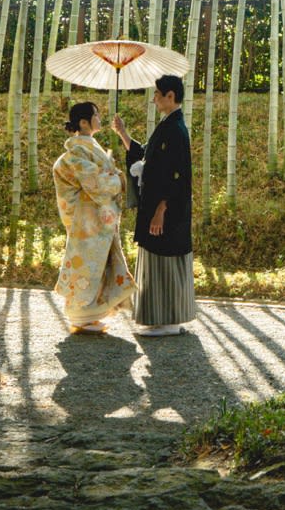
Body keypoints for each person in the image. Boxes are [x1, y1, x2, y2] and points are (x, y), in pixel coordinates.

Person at [112, 74, 195, 337]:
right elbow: (145, 154)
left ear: (171, 96)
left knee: (164, 262)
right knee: (159, 260)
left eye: (157, 94)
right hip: (159, 206)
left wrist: (161, 209)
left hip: (166, 210)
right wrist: (123, 133)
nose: (154, 99)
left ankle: (167, 321)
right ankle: (166, 320)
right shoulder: (169, 125)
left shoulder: (176, 129)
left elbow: (179, 175)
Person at [50, 100, 134, 336]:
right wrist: (117, 178)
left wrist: (110, 172)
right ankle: (81, 315)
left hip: (95, 216)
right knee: (87, 263)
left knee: (97, 263)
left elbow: (98, 175)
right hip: (87, 218)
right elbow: (94, 181)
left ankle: (90, 314)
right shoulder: (77, 151)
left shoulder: (87, 147)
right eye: (96, 115)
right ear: (84, 122)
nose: (99, 118)